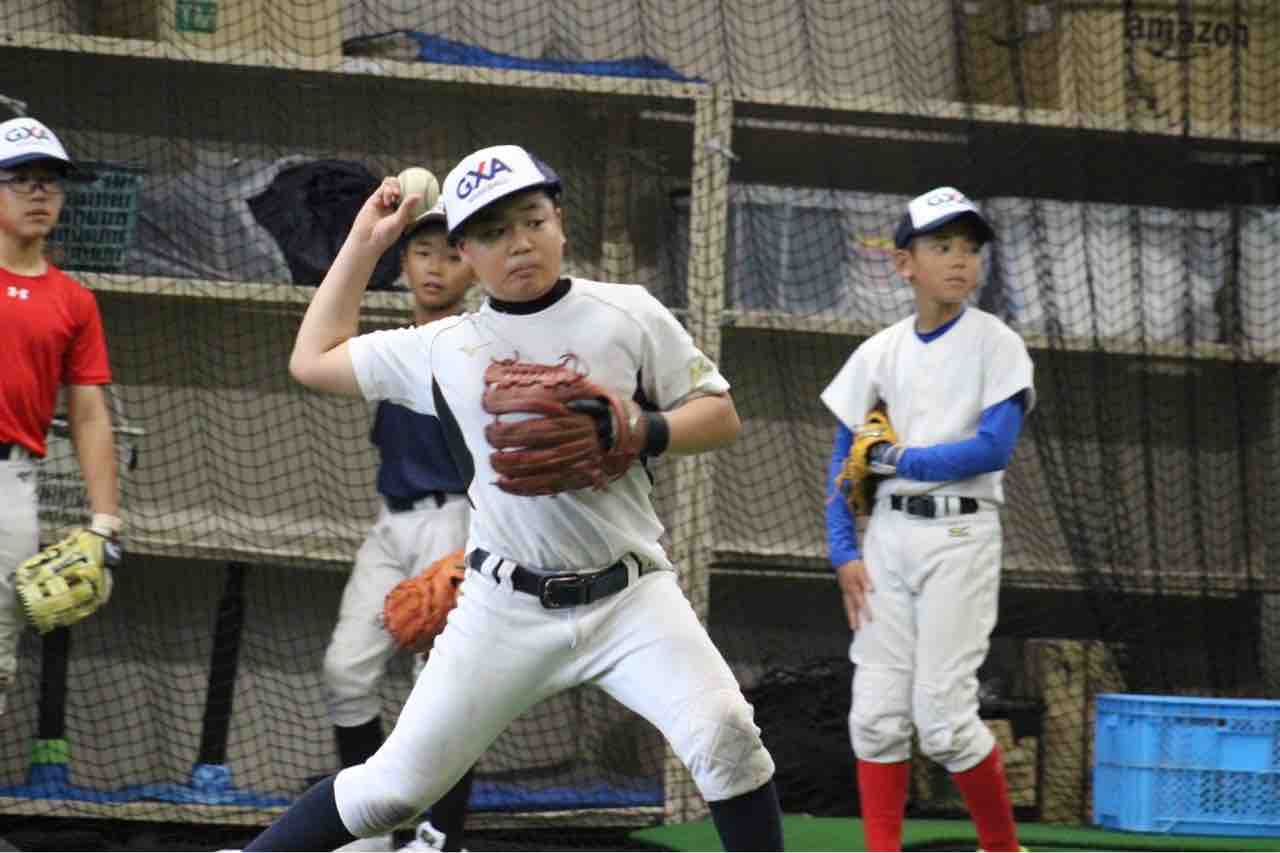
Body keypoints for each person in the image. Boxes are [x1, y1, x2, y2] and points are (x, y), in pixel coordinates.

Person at [245, 145, 783, 852]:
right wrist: (364, 244)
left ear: (560, 219)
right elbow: (312, 359)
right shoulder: (445, 346)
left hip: (632, 598)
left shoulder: (626, 312)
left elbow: (720, 415)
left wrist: (643, 429)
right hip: (504, 607)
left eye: (533, 219)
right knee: (390, 791)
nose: (520, 242)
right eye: (493, 233)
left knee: (727, 736)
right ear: (466, 252)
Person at [821, 188, 1034, 852]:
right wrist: (842, 551)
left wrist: (900, 459)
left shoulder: (997, 343)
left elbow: (992, 448)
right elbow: (844, 462)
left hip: (960, 535)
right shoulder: (879, 352)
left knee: (942, 720)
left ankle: (1003, 848)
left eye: (970, 248)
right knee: (876, 716)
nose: (960, 260)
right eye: (942, 246)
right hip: (888, 539)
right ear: (903, 264)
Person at [321, 199, 475, 852]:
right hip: (391, 524)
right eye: (421, 252)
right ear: (403, 262)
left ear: (474, 265)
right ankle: (369, 828)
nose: (435, 267)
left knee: (443, 691)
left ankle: (441, 836)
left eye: (451, 254)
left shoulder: (481, 343)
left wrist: (476, 551)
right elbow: (322, 351)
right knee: (345, 670)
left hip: (458, 525)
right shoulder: (390, 346)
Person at [0, 116, 122, 715]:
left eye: (49, 180)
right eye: (20, 179)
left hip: (11, 484)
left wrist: (104, 520)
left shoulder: (74, 301)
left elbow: (89, 415)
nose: (39, 192)